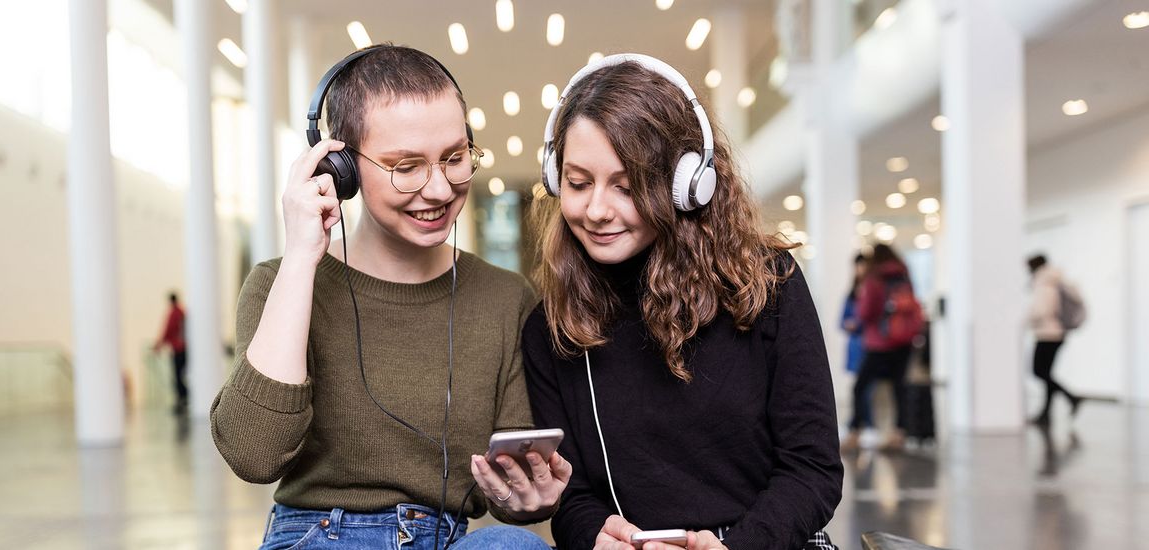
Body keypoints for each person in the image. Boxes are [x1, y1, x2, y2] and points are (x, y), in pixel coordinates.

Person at [210, 45, 568, 550]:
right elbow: (254, 456)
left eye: (455, 158)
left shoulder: (506, 298)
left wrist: (527, 499)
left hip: (447, 537)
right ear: (342, 169)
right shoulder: (281, 282)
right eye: (407, 166)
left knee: (515, 545)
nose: (441, 189)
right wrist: (300, 260)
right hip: (321, 535)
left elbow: (512, 477)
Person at [522, 54, 842, 550]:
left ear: (687, 184)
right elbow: (574, 496)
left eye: (627, 187)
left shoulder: (767, 282)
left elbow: (812, 470)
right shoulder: (552, 326)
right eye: (578, 183)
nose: (597, 210)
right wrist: (592, 535)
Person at [842, 244, 921, 453]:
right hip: (904, 341)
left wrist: (857, 321)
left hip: (879, 342)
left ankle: (854, 432)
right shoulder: (903, 274)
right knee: (899, 386)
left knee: (860, 386)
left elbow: (867, 311)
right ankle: (899, 433)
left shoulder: (873, 277)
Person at [1027, 254, 1083, 425]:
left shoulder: (1045, 282)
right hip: (1056, 333)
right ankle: (1046, 413)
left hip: (1048, 333)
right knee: (1046, 373)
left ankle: (1072, 397)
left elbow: (1043, 310)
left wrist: (1026, 319)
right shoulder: (1055, 280)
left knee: (1039, 371)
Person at [839, 254, 871, 428]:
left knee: (864, 388)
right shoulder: (852, 293)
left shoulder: (872, 290)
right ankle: (861, 424)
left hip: (869, 346)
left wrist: (858, 323)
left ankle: (860, 424)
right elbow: (842, 320)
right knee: (860, 387)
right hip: (856, 345)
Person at [154, 291, 187, 414]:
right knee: (181, 375)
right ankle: (183, 397)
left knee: (178, 376)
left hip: (178, 349)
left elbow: (168, 330)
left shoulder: (174, 313)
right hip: (184, 349)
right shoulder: (182, 313)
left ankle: (182, 398)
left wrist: (158, 345)